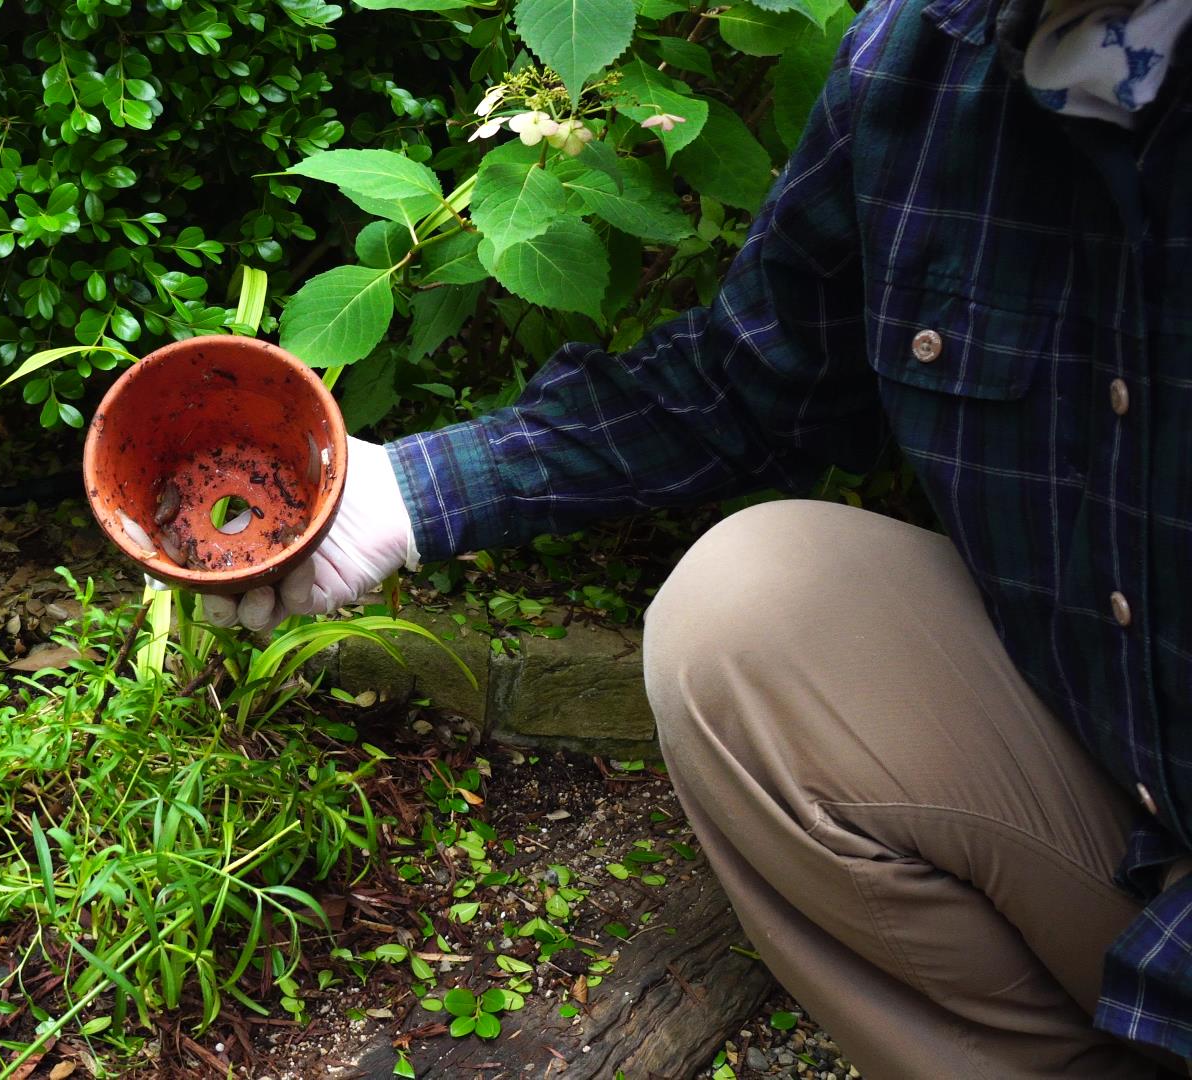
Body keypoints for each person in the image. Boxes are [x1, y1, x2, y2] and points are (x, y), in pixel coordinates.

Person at [198, 0, 1192, 1074]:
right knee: (751, 610)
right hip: (1127, 795)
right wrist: (402, 498)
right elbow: (747, 386)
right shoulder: (925, 63)